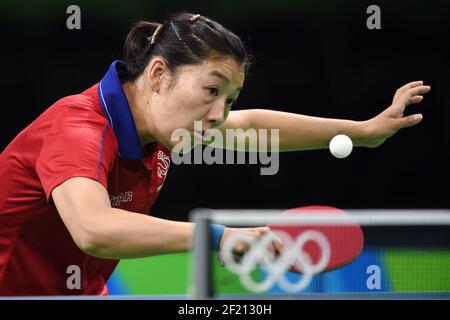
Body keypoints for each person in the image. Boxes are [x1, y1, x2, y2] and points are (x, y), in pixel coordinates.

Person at [0, 12, 430, 296]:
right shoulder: (78, 129)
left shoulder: (163, 124)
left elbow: (248, 126)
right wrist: (220, 237)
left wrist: (361, 131)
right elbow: (93, 229)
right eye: (211, 90)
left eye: (228, 98)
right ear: (158, 74)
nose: (218, 114)